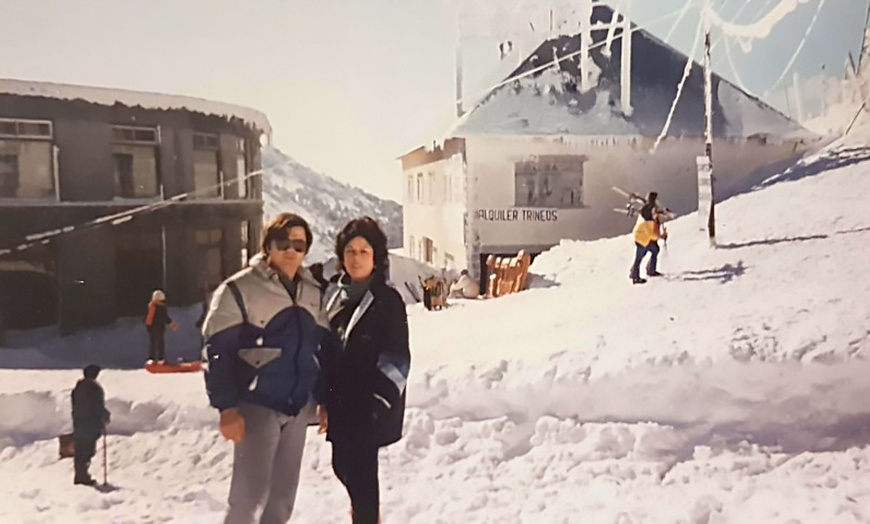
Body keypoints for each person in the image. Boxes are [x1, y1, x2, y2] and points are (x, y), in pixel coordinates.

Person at [202, 212, 329, 524]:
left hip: (298, 407)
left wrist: (324, 399)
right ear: (268, 245)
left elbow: (323, 351)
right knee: (248, 500)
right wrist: (226, 407)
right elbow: (217, 350)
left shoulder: (313, 292)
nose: (290, 251)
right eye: (282, 243)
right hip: (257, 404)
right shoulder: (239, 288)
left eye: (299, 245)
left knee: (282, 500)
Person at [320, 217, 411, 524]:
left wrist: (379, 401)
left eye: (363, 251)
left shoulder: (388, 300)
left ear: (376, 257)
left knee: (362, 481)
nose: (356, 258)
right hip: (340, 403)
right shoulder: (333, 296)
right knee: (341, 465)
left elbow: (398, 356)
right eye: (350, 251)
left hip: (368, 404)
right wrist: (323, 398)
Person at [71, 364, 110, 486]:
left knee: (80, 449)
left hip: (78, 422)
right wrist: (105, 415)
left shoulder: (77, 388)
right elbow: (97, 406)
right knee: (87, 449)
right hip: (90, 423)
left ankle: (80, 474)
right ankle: (83, 476)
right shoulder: (94, 388)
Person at [629, 191, 668, 285]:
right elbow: (653, 235)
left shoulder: (649, 209)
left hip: (644, 236)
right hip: (642, 238)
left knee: (655, 249)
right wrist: (662, 236)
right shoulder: (650, 220)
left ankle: (650, 270)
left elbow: (647, 206)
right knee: (639, 257)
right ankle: (635, 277)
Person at [144, 289, 178, 362]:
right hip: (157, 328)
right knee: (158, 343)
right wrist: (171, 323)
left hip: (154, 328)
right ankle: (158, 358)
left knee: (155, 343)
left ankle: (155, 358)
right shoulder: (158, 307)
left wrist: (171, 323)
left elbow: (149, 318)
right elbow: (164, 317)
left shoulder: (152, 306)